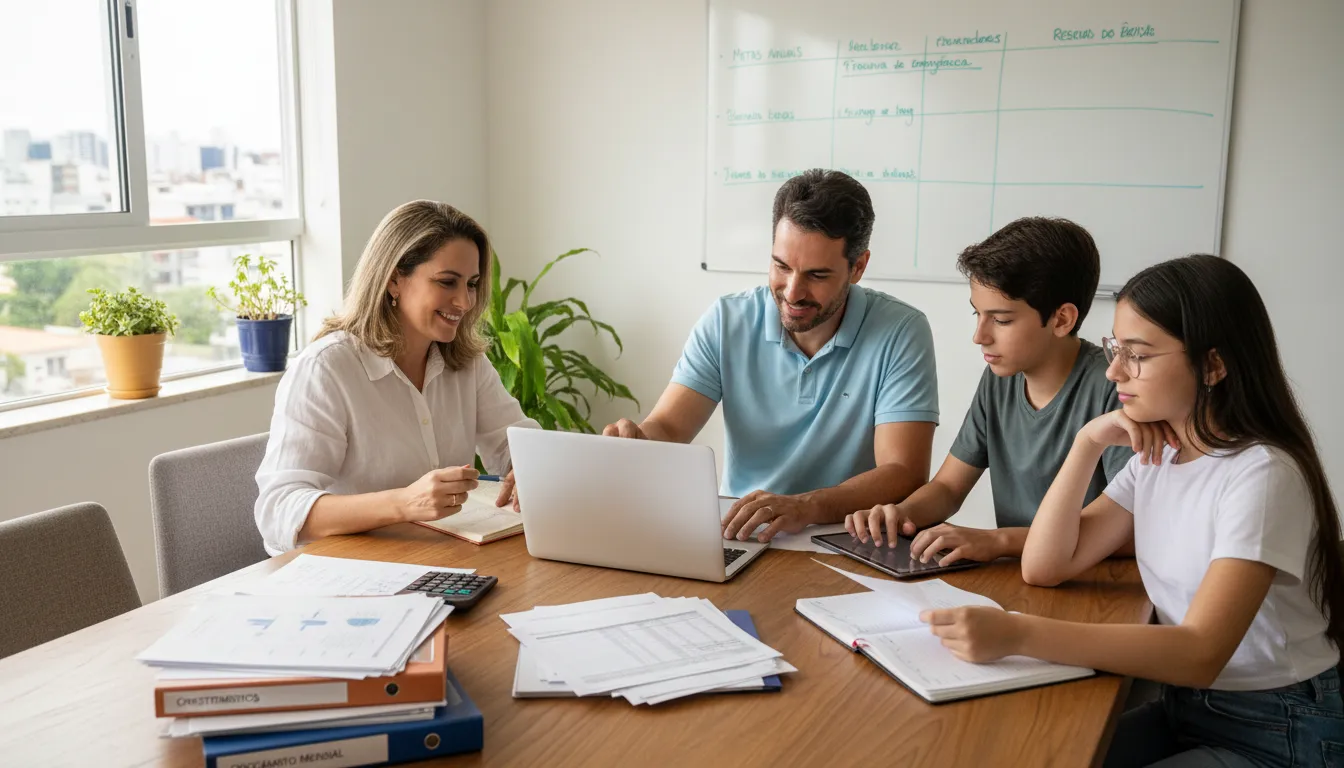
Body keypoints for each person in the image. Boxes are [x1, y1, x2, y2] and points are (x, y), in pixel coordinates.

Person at [921, 255, 1344, 766]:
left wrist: (1019, 634)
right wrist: (1087, 443)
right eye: (1115, 349)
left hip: (1280, 727)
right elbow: (1046, 565)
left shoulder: (1261, 475)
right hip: (1185, 706)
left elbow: (1201, 652)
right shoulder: (1159, 457)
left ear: (1213, 365)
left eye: (1137, 355)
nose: (1113, 370)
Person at [603, 169, 938, 543]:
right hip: (743, 532)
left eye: (817, 275)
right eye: (781, 266)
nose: (793, 292)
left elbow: (903, 471)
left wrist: (805, 507)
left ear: (858, 267)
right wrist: (638, 442)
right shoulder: (727, 319)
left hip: (847, 539)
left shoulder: (901, 331)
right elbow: (668, 427)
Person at [254, 200, 538, 554]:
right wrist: (404, 502)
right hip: (348, 576)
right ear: (393, 280)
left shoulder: (468, 363)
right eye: (447, 282)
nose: (464, 302)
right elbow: (278, 510)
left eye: (472, 284)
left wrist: (532, 471)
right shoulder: (327, 368)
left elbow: (520, 451)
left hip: (435, 560)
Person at [846, 217, 1132, 565]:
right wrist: (899, 514)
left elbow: (1124, 531)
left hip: (1093, 580)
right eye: (977, 314)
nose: (979, 336)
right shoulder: (998, 378)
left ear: (1061, 320)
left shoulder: (1117, 388)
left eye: (1001, 320)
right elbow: (949, 488)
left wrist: (998, 541)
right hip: (1021, 575)